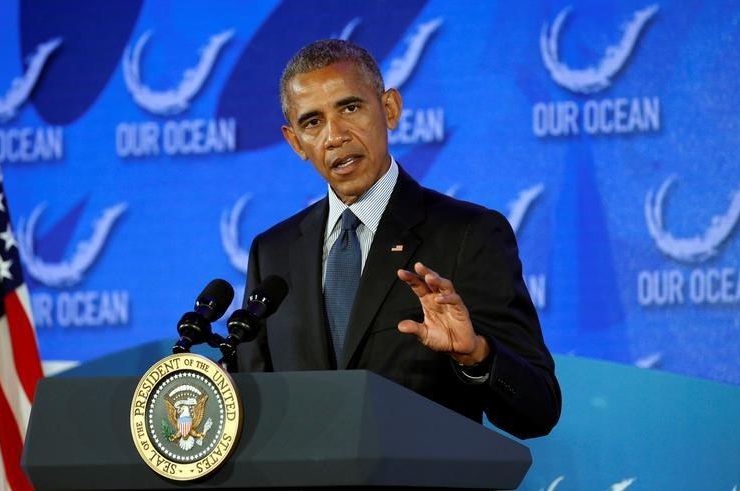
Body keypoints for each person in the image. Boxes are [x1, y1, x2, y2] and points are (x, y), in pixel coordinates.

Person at [237, 39, 560, 439]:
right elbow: (254, 401)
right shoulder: (272, 253)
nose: (335, 136)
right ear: (295, 142)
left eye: (350, 108)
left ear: (389, 109)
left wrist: (476, 355)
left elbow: (539, 410)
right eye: (313, 122)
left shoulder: (467, 235)